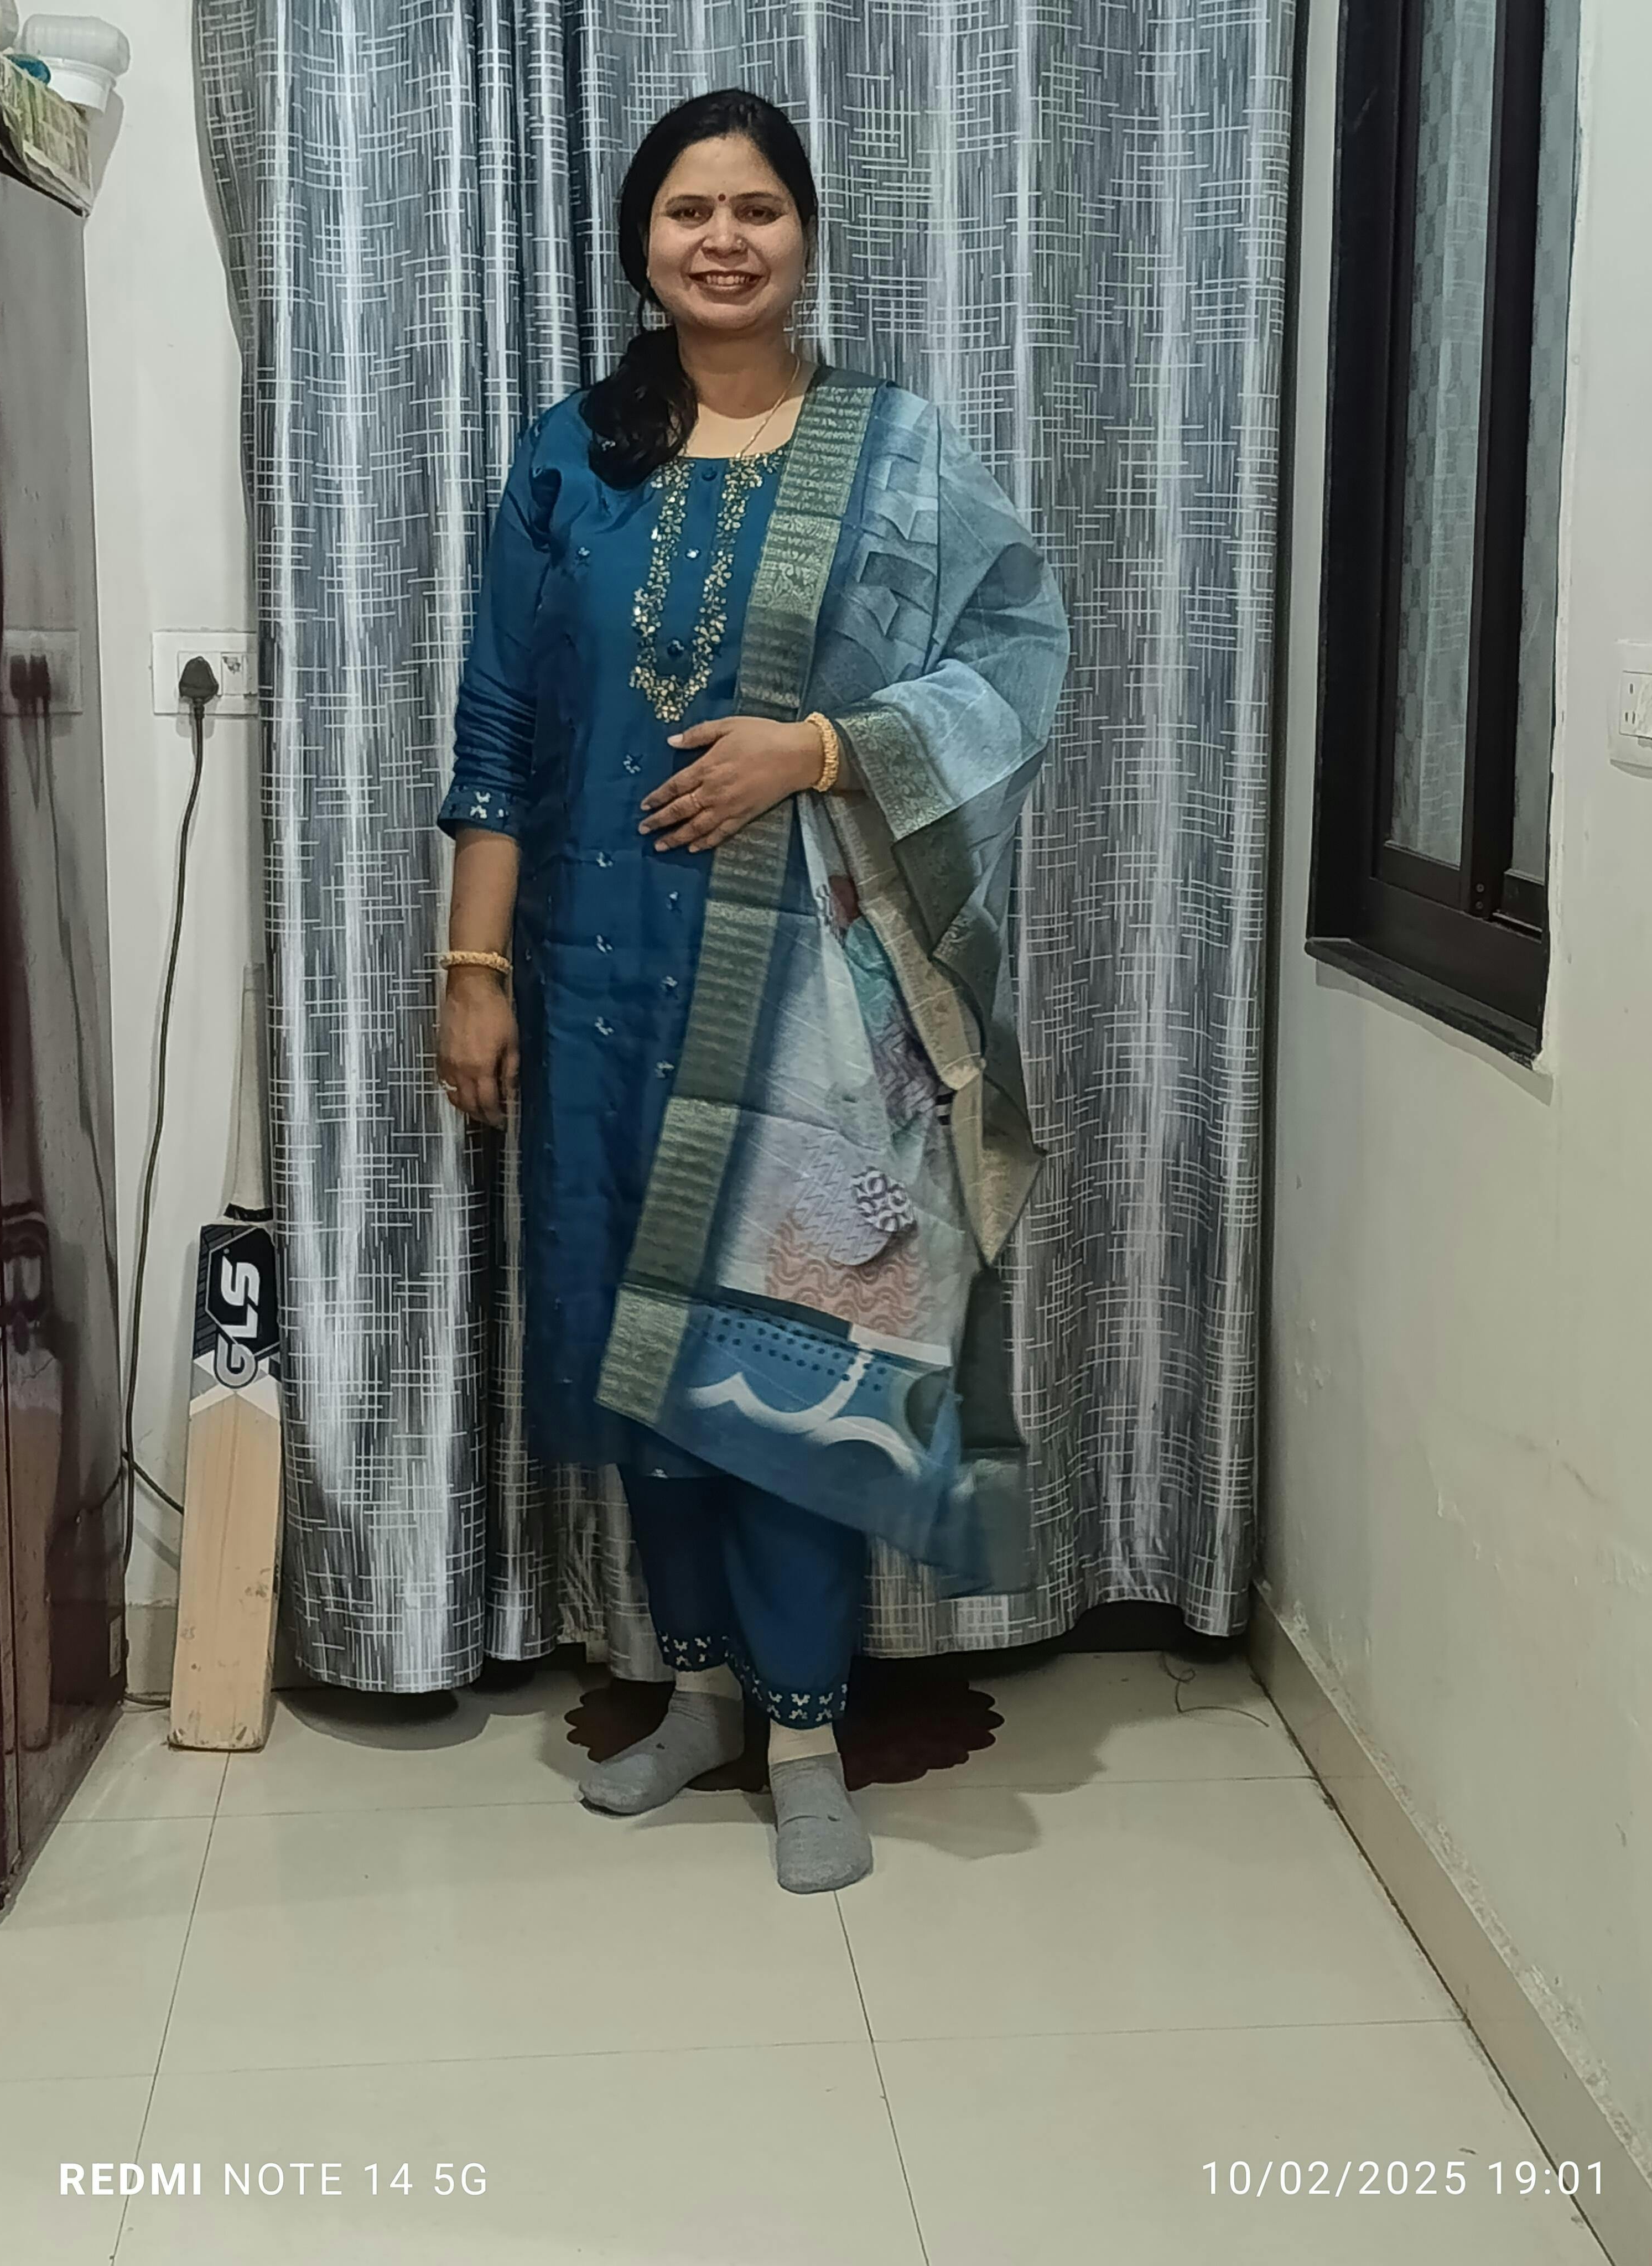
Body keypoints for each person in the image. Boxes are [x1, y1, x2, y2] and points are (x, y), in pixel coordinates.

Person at [436, 87, 1068, 1894]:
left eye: (758, 209)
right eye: (688, 211)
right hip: (598, 987)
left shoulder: (896, 454)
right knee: (648, 1364)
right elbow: (499, 730)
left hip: (817, 1016)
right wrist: (470, 971)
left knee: (790, 1365)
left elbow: (1020, 656)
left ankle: (806, 1730)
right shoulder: (572, 460)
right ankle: (699, 1693)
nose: (724, 239)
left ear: (805, 235)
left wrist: (819, 748)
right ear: (642, 245)